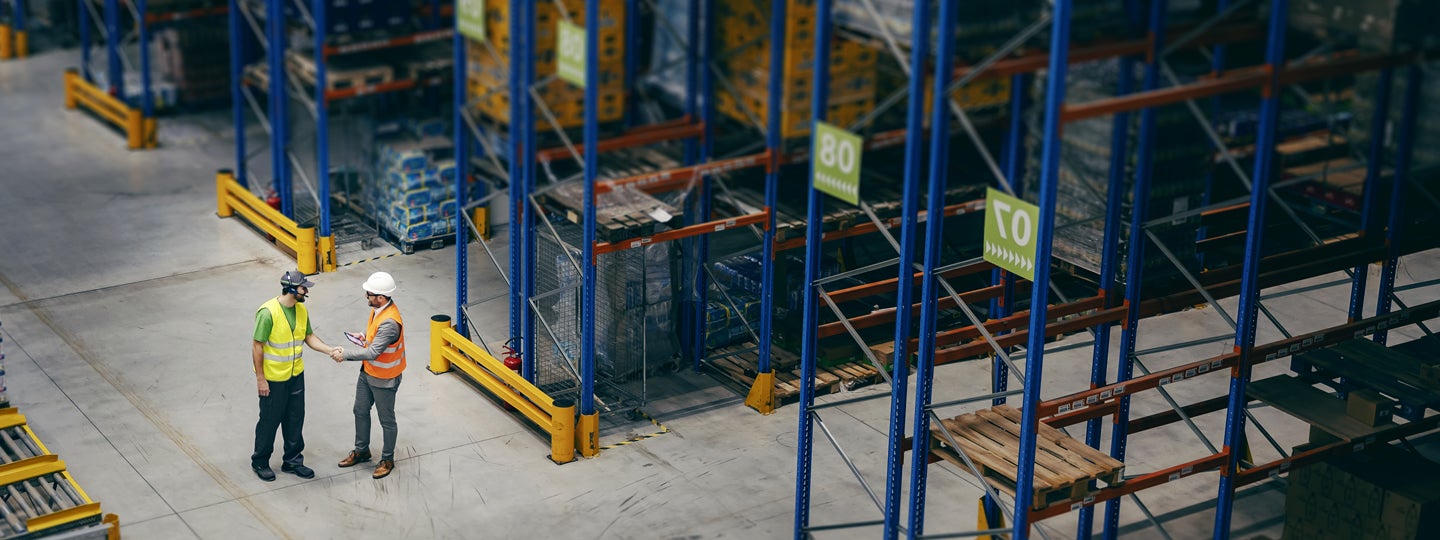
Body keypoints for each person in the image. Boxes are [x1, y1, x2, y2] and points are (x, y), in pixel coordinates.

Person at [251, 270, 340, 482]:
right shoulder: (268, 312)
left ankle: (292, 461)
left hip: (295, 376)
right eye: (303, 287)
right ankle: (260, 461)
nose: (306, 291)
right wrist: (261, 379)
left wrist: (330, 350)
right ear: (291, 289)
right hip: (273, 379)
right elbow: (257, 346)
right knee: (269, 421)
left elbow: (309, 336)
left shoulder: (301, 310)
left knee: (294, 419)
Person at [331, 271, 406, 479]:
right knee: (360, 410)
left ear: (380, 297)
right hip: (368, 372)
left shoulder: (390, 322)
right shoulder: (378, 310)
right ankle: (362, 450)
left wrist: (344, 354)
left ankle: (387, 459)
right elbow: (375, 338)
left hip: (384, 379)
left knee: (387, 420)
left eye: (369, 294)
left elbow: (373, 352)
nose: (366, 296)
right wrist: (364, 336)